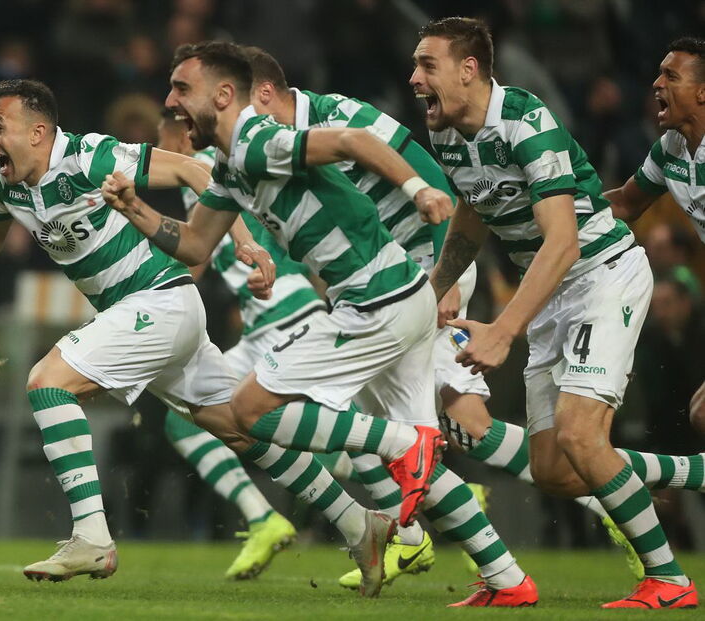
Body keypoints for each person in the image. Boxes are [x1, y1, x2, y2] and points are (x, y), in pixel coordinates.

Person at [102, 40, 537, 606]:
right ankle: (508, 579)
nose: (171, 101)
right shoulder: (234, 166)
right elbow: (193, 244)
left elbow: (354, 141)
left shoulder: (260, 142)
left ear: (226, 95)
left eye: (182, 89)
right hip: (391, 299)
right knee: (398, 457)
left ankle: (412, 444)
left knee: (249, 411)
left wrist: (419, 189)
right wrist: (134, 207)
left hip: (377, 304)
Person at [0, 78, 420, 596]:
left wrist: (244, 242)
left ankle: (91, 535)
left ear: (39, 131)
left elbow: (193, 168)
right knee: (243, 425)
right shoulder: (8, 183)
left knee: (48, 382)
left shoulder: (88, 156)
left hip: (158, 301)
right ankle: (363, 524)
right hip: (146, 313)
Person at [244, 45, 653, 584]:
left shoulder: (343, 117)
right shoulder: (274, 146)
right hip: (377, 284)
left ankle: (604, 495)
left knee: (438, 424)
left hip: (419, 272)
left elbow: (439, 191)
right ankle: (431, 535)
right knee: (432, 424)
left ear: (263, 94)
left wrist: (448, 281)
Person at [414, 17, 697, 609]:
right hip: (549, 291)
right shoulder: (446, 132)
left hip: (600, 276)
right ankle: (690, 472)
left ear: (469, 70)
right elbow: (474, 205)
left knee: (579, 432)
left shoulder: (523, 119)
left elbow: (564, 241)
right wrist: (440, 285)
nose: (415, 78)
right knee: (554, 470)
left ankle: (670, 582)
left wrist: (503, 332)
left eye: (427, 66)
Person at [156, 109, 305, 580]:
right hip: (278, 315)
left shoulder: (202, 166)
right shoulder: (220, 163)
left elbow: (192, 258)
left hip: (283, 316)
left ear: (176, 131)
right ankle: (263, 519)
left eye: (160, 138)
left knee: (311, 430)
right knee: (195, 419)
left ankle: (435, 495)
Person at [605, 36, 705, 438]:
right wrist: (558, 205)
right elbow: (627, 204)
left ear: (701, 92)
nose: (656, 84)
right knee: (699, 415)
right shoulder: (671, 149)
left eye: (670, 75)